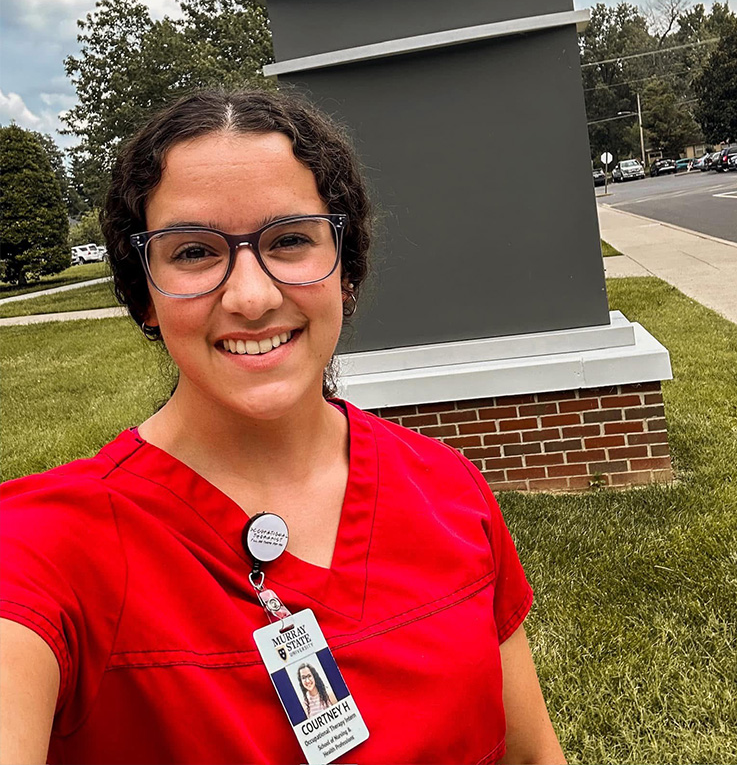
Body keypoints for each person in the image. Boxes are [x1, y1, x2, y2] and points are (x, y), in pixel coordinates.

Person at [0, 89, 567, 765]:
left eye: (290, 239)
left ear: (344, 269)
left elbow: (533, 756)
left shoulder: (450, 492)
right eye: (193, 253)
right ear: (144, 293)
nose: (252, 295)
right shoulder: (47, 547)